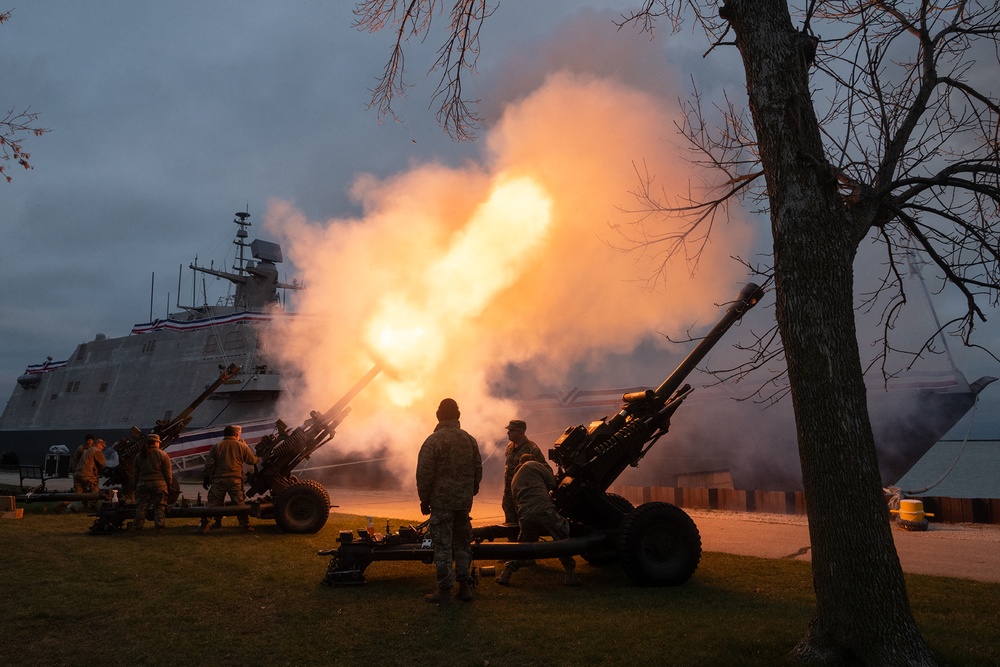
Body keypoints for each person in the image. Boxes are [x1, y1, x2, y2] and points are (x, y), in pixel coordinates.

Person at [416, 398, 483, 604]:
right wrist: (470, 491)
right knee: (463, 543)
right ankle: (464, 587)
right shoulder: (469, 439)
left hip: (442, 502)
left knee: (443, 545)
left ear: (439, 416)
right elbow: (477, 469)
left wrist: (424, 500)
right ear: (458, 416)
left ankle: (444, 590)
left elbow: (424, 474)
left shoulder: (434, 441)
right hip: (463, 503)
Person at [495, 453, 581, 587]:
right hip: (543, 509)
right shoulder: (533, 465)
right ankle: (570, 575)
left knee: (523, 545)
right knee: (562, 536)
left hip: (525, 515)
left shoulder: (514, 480)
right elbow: (552, 484)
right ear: (532, 459)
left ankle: (506, 574)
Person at [201, 425, 260, 533]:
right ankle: (246, 525)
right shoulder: (241, 446)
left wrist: (206, 478)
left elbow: (209, 465)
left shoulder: (217, 446)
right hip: (235, 480)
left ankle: (206, 525)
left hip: (219, 480)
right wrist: (259, 457)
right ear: (236, 434)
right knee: (239, 504)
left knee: (213, 504)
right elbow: (251, 460)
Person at [501, 419, 544, 524]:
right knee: (510, 527)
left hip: (523, 498)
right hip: (509, 496)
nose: (508, 433)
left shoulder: (532, 449)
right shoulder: (510, 447)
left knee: (525, 527)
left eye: (511, 430)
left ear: (520, 432)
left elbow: (544, 470)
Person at [132, 433, 172, 534]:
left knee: (141, 507)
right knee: (159, 506)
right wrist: (169, 485)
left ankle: (138, 527)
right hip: (159, 484)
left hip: (142, 484)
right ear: (156, 442)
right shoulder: (163, 454)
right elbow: (167, 473)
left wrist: (135, 485)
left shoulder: (138, 455)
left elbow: (135, 474)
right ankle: (159, 527)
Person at [73, 438, 107, 510]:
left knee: (77, 494)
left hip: (78, 474)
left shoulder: (88, 450)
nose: (103, 448)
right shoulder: (97, 451)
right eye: (102, 446)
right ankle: (92, 507)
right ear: (98, 444)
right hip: (87, 475)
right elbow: (103, 464)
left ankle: (62, 505)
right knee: (96, 492)